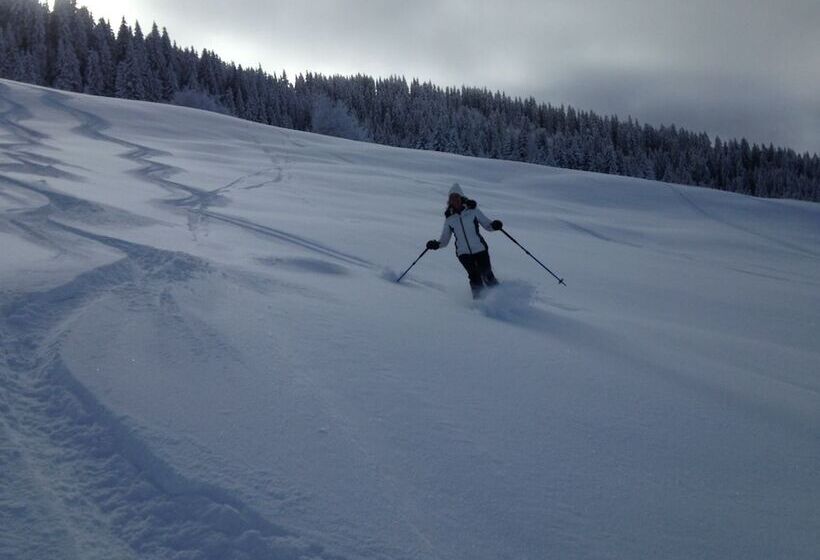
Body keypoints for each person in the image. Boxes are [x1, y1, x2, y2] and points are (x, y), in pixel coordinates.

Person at [426, 183, 503, 298]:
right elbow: (444, 241)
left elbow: (487, 225)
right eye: (452, 198)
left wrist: (495, 225)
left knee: (487, 275)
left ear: (461, 197)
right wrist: (436, 244)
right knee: (474, 277)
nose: (454, 200)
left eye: (456, 197)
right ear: (449, 201)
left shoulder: (473, 211)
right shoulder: (450, 219)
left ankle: (501, 297)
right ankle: (480, 303)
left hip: (480, 249)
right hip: (463, 253)